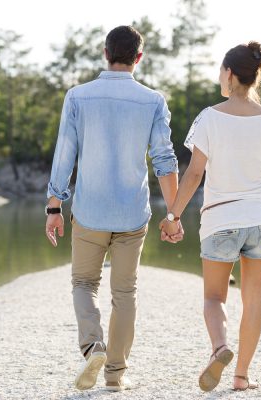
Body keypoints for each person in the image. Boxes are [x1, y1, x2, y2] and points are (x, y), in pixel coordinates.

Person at [45, 25, 182, 392]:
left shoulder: (77, 96)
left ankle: (93, 347)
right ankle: (116, 375)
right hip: (132, 214)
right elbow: (165, 161)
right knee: (125, 293)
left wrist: (54, 206)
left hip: (89, 211)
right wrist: (174, 214)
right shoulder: (153, 101)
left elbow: (65, 154)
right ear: (139, 58)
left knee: (83, 283)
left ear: (105, 53)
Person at [160, 41, 261, 392]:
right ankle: (241, 376)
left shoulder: (209, 117)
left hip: (220, 222)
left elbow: (193, 174)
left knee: (214, 298)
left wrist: (173, 215)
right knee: (253, 301)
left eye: (221, 70)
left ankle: (220, 348)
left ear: (230, 74)